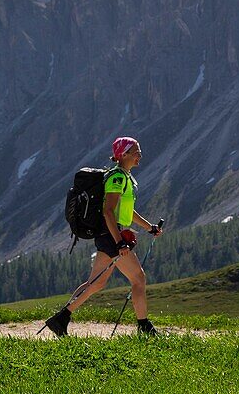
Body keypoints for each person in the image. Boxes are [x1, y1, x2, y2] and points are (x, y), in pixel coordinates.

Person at [45, 136, 163, 337]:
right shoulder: (117, 178)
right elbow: (108, 211)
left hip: (108, 235)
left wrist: (149, 227)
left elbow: (127, 211)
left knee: (96, 283)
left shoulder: (124, 177)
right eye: (136, 152)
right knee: (138, 278)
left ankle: (61, 318)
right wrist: (119, 242)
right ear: (124, 154)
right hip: (111, 236)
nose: (140, 155)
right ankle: (144, 327)